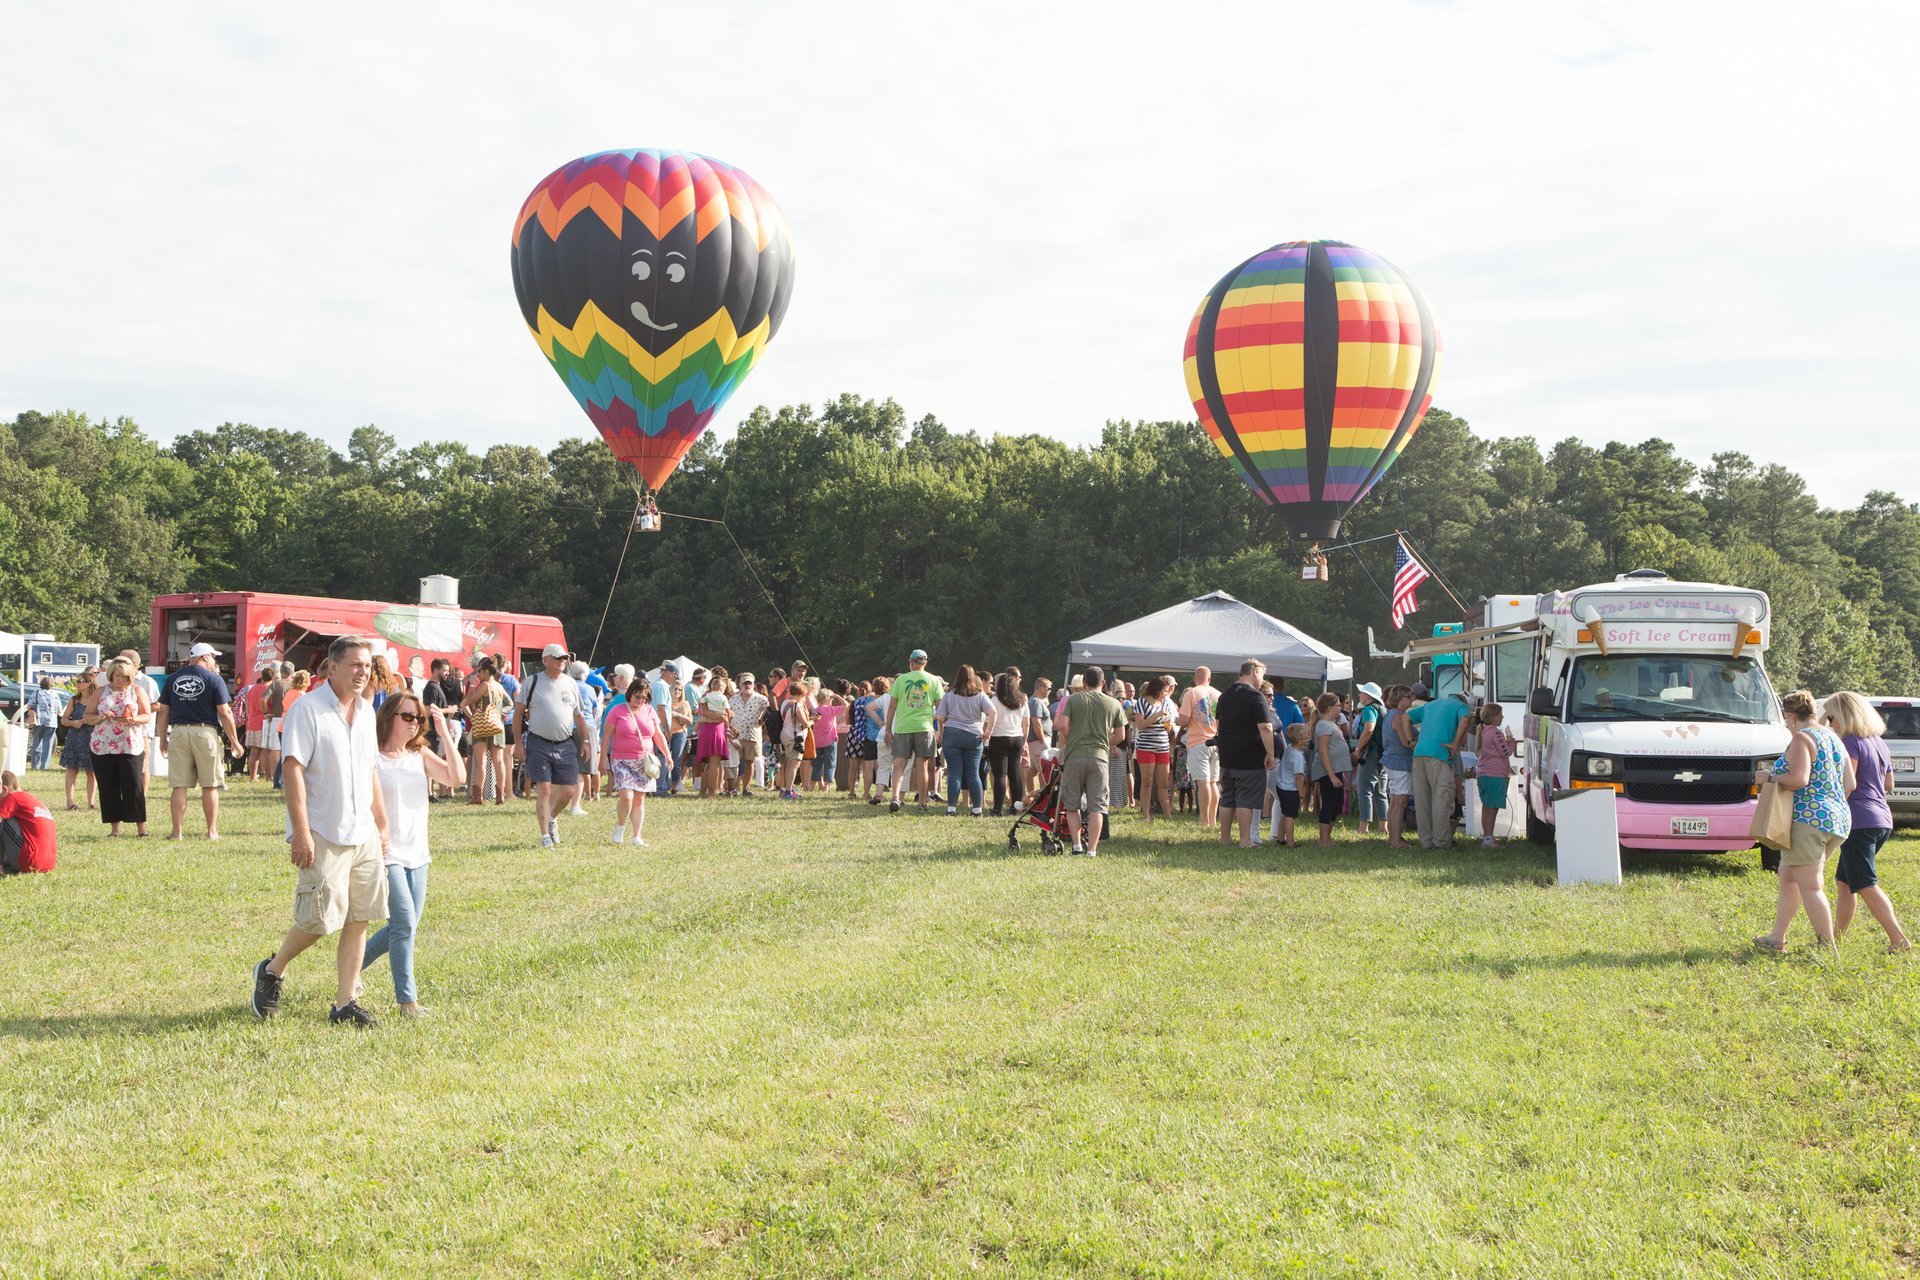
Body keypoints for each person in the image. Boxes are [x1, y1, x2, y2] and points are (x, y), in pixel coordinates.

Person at [248, 636, 390, 1028]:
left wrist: (381, 823)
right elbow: (292, 769)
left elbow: (370, 771)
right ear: (332, 667)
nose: (363, 672)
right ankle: (273, 970)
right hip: (323, 828)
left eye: (367, 665)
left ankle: (345, 1003)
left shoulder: (365, 712)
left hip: (362, 831)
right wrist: (301, 831)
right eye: (355, 665)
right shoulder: (308, 710)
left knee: (359, 916)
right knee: (318, 919)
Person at [361, 688, 465, 1016]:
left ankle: (350, 966)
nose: (413, 723)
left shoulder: (418, 754)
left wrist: (445, 734)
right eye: (406, 716)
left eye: (417, 718)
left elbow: (457, 777)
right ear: (388, 718)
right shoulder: (372, 757)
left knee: (403, 926)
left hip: (418, 852)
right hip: (387, 852)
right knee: (403, 921)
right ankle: (408, 1001)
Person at [1753, 689, 1853, 953]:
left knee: (1811, 885)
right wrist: (1829, 803)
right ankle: (1777, 937)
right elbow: (1850, 783)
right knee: (1788, 876)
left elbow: (1799, 779)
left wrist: (1769, 779)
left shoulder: (1802, 739)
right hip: (1837, 820)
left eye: (1786, 720)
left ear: (1790, 716)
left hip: (1808, 821)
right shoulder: (1833, 739)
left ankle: (1826, 945)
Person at [1821, 691, 1910, 953]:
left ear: (1844, 716)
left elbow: (1848, 784)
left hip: (1859, 821)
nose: (1830, 724)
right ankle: (1834, 939)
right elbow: (1888, 784)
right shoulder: (1878, 742)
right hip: (1882, 819)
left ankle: (1898, 939)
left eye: (1832, 717)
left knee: (1865, 884)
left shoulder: (1849, 741)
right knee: (1845, 883)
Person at [154, 642, 245, 841]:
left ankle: (176, 832)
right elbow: (225, 712)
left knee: (179, 785)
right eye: (213, 657)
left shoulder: (173, 679)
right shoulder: (214, 679)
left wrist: (163, 739)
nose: (214, 661)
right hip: (205, 732)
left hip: (178, 732)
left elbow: (163, 712)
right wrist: (235, 741)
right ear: (204, 657)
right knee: (210, 785)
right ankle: (211, 831)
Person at [515, 643, 591, 847]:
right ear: (545, 660)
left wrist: (585, 741)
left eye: (564, 658)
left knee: (568, 791)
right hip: (538, 742)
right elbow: (518, 713)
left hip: (565, 743)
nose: (562, 661)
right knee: (545, 789)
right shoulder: (532, 682)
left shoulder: (571, 683)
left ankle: (551, 818)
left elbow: (579, 715)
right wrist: (517, 744)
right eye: (557, 658)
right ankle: (544, 835)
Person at [1054, 666, 1128, 855]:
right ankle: (1092, 850)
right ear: (1103, 683)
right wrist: (1105, 742)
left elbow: (1061, 725)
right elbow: (1120, 735)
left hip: (1075, 757)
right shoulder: (1113, 703)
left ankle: (1077, 845)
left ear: (1084, 683)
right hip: (1099, 758)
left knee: (1072, 804)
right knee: (1097, 806)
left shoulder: (1073, 699)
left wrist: (1072, 738)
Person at [85, 657, 151, 837]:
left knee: (133, 785)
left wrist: (133, 719)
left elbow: (146, 715)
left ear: (130, 677)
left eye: (123, 676)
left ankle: (141, 828)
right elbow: (87, 717)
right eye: (116, 676)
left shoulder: (137, 691)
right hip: (103, 745)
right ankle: (115, 829)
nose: (119, 680)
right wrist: (100, 717)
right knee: (108, 786)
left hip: (129, 744)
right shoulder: (100, 692)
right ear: (110, 675)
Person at [1214, 660, 1277, 849]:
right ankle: (1245, 840)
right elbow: (1265, 727)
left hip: (1227, 755)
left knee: (1227, 797)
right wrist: (1271, 753)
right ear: (1255, 672)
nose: (1262, 680)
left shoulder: (1225, 694)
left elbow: (1218, 724)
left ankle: (1225, 838)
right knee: (1246, 799)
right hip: (1249, 757)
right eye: (1262, 675)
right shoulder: (1255, 696)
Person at [601, 682, 671, 846]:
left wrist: (667, 755)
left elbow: (658, 735)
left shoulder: (649, 711)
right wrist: (603, 758)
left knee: (639, 799)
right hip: (621, 760)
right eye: (637, 696)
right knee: (627, 796)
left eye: (644, 698)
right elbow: (606, 736)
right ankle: (620, 826)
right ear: (630, 693)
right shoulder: (617, 711)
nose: (641, 700)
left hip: (644, 761)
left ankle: (636, 836)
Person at [1406, 690, 1471, 849]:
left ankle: (1426, 842)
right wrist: (1455, 744)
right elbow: (1465, 720)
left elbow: (1405, 717)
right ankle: (1441, 843)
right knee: (1441, 799)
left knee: (1422, 801)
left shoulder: (1430, 705)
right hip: (1440, 755)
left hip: (1419, 754)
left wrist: (1409, 741)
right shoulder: (1461, 706)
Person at [886, 649, 945, 814]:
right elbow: (941, 711)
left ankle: (896, 797)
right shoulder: (934, 680)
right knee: (923, 766)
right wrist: (941, 731)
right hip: (924, 728)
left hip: (903, 727)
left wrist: (888, 729)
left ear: (910, 662)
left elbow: (892, 707)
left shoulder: (901, 679)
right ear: (925, 663)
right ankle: (922, 802)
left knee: (899, 764)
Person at [935, 665, 992, 817]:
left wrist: (940, 731)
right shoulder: (979, 695)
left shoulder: (950, 694)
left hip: (952, 733)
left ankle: (951, 808)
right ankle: (977, 810)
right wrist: (988, 732)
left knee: (954, 772)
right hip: (974, 735)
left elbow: (940, 716)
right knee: (973, 773)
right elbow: (993, 712)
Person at [1178, 667, 1222, 831]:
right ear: (1209, 679)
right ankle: (1212, 820)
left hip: (1198, 742)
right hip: (1216, 742)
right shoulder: (1218, 694)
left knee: (1202, 783)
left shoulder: (1192, 693)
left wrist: (1176, 720)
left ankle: (1203, 819)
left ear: (1195, 678)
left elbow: (1184, 719)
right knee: (1213, 783)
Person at [463, 660, 510, 806]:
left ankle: (478, 796)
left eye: (480, 671)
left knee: (481, 762)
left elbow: (470, 700)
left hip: (482, 725)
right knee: (499, 761)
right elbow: (510, 703)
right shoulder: (499, 686)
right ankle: (500, 795)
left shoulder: (484, 685)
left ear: (486, 671)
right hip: (497, 726)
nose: (478, 673)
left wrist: (471, 686)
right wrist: (501, 712)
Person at [1307, 692, 1352, 848]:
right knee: (1329, 802)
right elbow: (1323, 751)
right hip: (1326, 770)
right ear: (1329, 707)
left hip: (1335, 769)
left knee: (1337, 802)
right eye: (1338, 705)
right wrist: (1332, 776)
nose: (1340, 707)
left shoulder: (1332, 723)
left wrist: (1341, 774)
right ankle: (1323, 840)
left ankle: (1328, 837)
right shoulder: (1323, 725)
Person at [1131, 675, 1177, 821]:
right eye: (1164, 690)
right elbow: (1140, 725)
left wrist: (1168, 726)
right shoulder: (1141, 703)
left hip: (1163, 746)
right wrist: (1156, 715)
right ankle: (1146, 815)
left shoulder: (1165, 703)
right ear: (1157, 689)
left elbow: (1167, 725)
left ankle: (1167, 815)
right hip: (1146, 747)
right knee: (1147, 781)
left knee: (1163, 783)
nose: (1166, 694)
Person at [984, 672, 1030, 817]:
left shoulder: (995, 701)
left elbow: (988, 720)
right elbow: (1026, 723)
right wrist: (1024, 741)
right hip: (1017, 737)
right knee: (1014, 774)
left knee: (1000, 775)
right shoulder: (1022, 699)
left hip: (998, 737)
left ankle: (997, 808)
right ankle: (1015, 807)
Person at [1380, 686, 1416, 849]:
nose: (1411, 700)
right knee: (1400, 801)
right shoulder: (1401, 716)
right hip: (1400, 762)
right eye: (1409, 697)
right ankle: (1396, 841)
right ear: (1401, 699)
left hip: (1391, 760)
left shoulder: (1389, 714)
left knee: (1395, 800)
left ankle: (1393, 837)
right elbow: (1406, 742)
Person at [1348, 683, 1386, 837]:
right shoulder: (1383, 710)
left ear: (1368, 696)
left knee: (1365, 791)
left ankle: (1363, 827)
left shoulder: (1369, 709)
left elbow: (1369, 728)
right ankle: (1383, 827)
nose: (1359, 696)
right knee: (1380, 791)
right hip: (1382, 755)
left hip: (1369, 754)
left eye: (1361, 693)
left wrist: (1357, 750)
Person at [0, 771, 56, 874]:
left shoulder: (12, 797)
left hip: (32, 862)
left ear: (5, 789)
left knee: (5, 823)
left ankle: (1, 869)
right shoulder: (31, 799)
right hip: (49, 863)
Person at [59, 668, 98, 810]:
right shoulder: (74, 700)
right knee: (72, 769)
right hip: (75, 738)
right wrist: (72, 723)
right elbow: (63, 719)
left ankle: (91, 803)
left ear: (89, 683)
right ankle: (70, 802)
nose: (77, 683)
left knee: (91, 771)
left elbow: (101, 718)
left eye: (80, 681)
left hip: (92, 738)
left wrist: (92, 721)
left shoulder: (97, 700)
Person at [568, 660, 602, 812]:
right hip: (587, 727)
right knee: (583, 769)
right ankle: (575, 805)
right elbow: (595, 712)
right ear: (586, 674)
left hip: (568, 728)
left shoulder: (567, 686)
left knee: (568, 767)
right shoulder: (589, 689)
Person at [1270, 722, 1309, 848]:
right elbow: (1299, 778)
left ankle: (1280, 838)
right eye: (1306, 737)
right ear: (1298, 741)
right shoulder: (1298, 757)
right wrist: (1302, 795)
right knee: (1290, 816)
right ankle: (1291, 842)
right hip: (1290, 789)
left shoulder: (1289, 749)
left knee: (1285, 813)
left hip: (1281, 786)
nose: (1309, 739)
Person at [243, 666, 275, 780]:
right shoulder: (270, 689)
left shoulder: (253, 688)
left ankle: (252, 777)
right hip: (265, 722)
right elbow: (271, 705)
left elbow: (247, 705)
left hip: (252, 722)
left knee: (254, 751)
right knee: (267, 751)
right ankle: (269, 776)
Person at [24, 676, 61, 771]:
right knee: (48, 745)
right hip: (51, 722)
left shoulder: (36, 692)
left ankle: (35, 765)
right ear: (51, 684)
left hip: (39, 721)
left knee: (37, 743)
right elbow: (60, 711)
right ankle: (44, 766)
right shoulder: (55, 694)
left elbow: (29, 706)